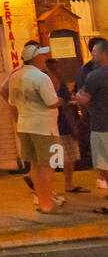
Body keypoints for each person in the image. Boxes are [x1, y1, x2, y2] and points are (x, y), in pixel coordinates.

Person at [1, 42, 64, 214]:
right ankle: (47, 203)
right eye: (42, 56)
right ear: (35, 58)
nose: (45, 59)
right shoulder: (41, 77)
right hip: (45, 127)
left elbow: (11, 101)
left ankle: (41, 200)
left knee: (35, 166)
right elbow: (51, 101)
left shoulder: (16, 76)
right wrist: (62, 101)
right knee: (48, 165)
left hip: (25, 124)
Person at [41, 58, 85, 196]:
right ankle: (66, 185)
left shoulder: (43, 83)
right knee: (67, 155)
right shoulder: (53, 82)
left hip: (52, 124)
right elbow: (64, 100)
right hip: (62, 123)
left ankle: (62, 185)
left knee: (59, 157)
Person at [75, 38, 108, 208]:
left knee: (105, 161)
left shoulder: (94, 75)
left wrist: (80, 97)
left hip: (102, 123)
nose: (92, 55)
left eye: (95, 52)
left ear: (103, 53)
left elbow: (83, 98)